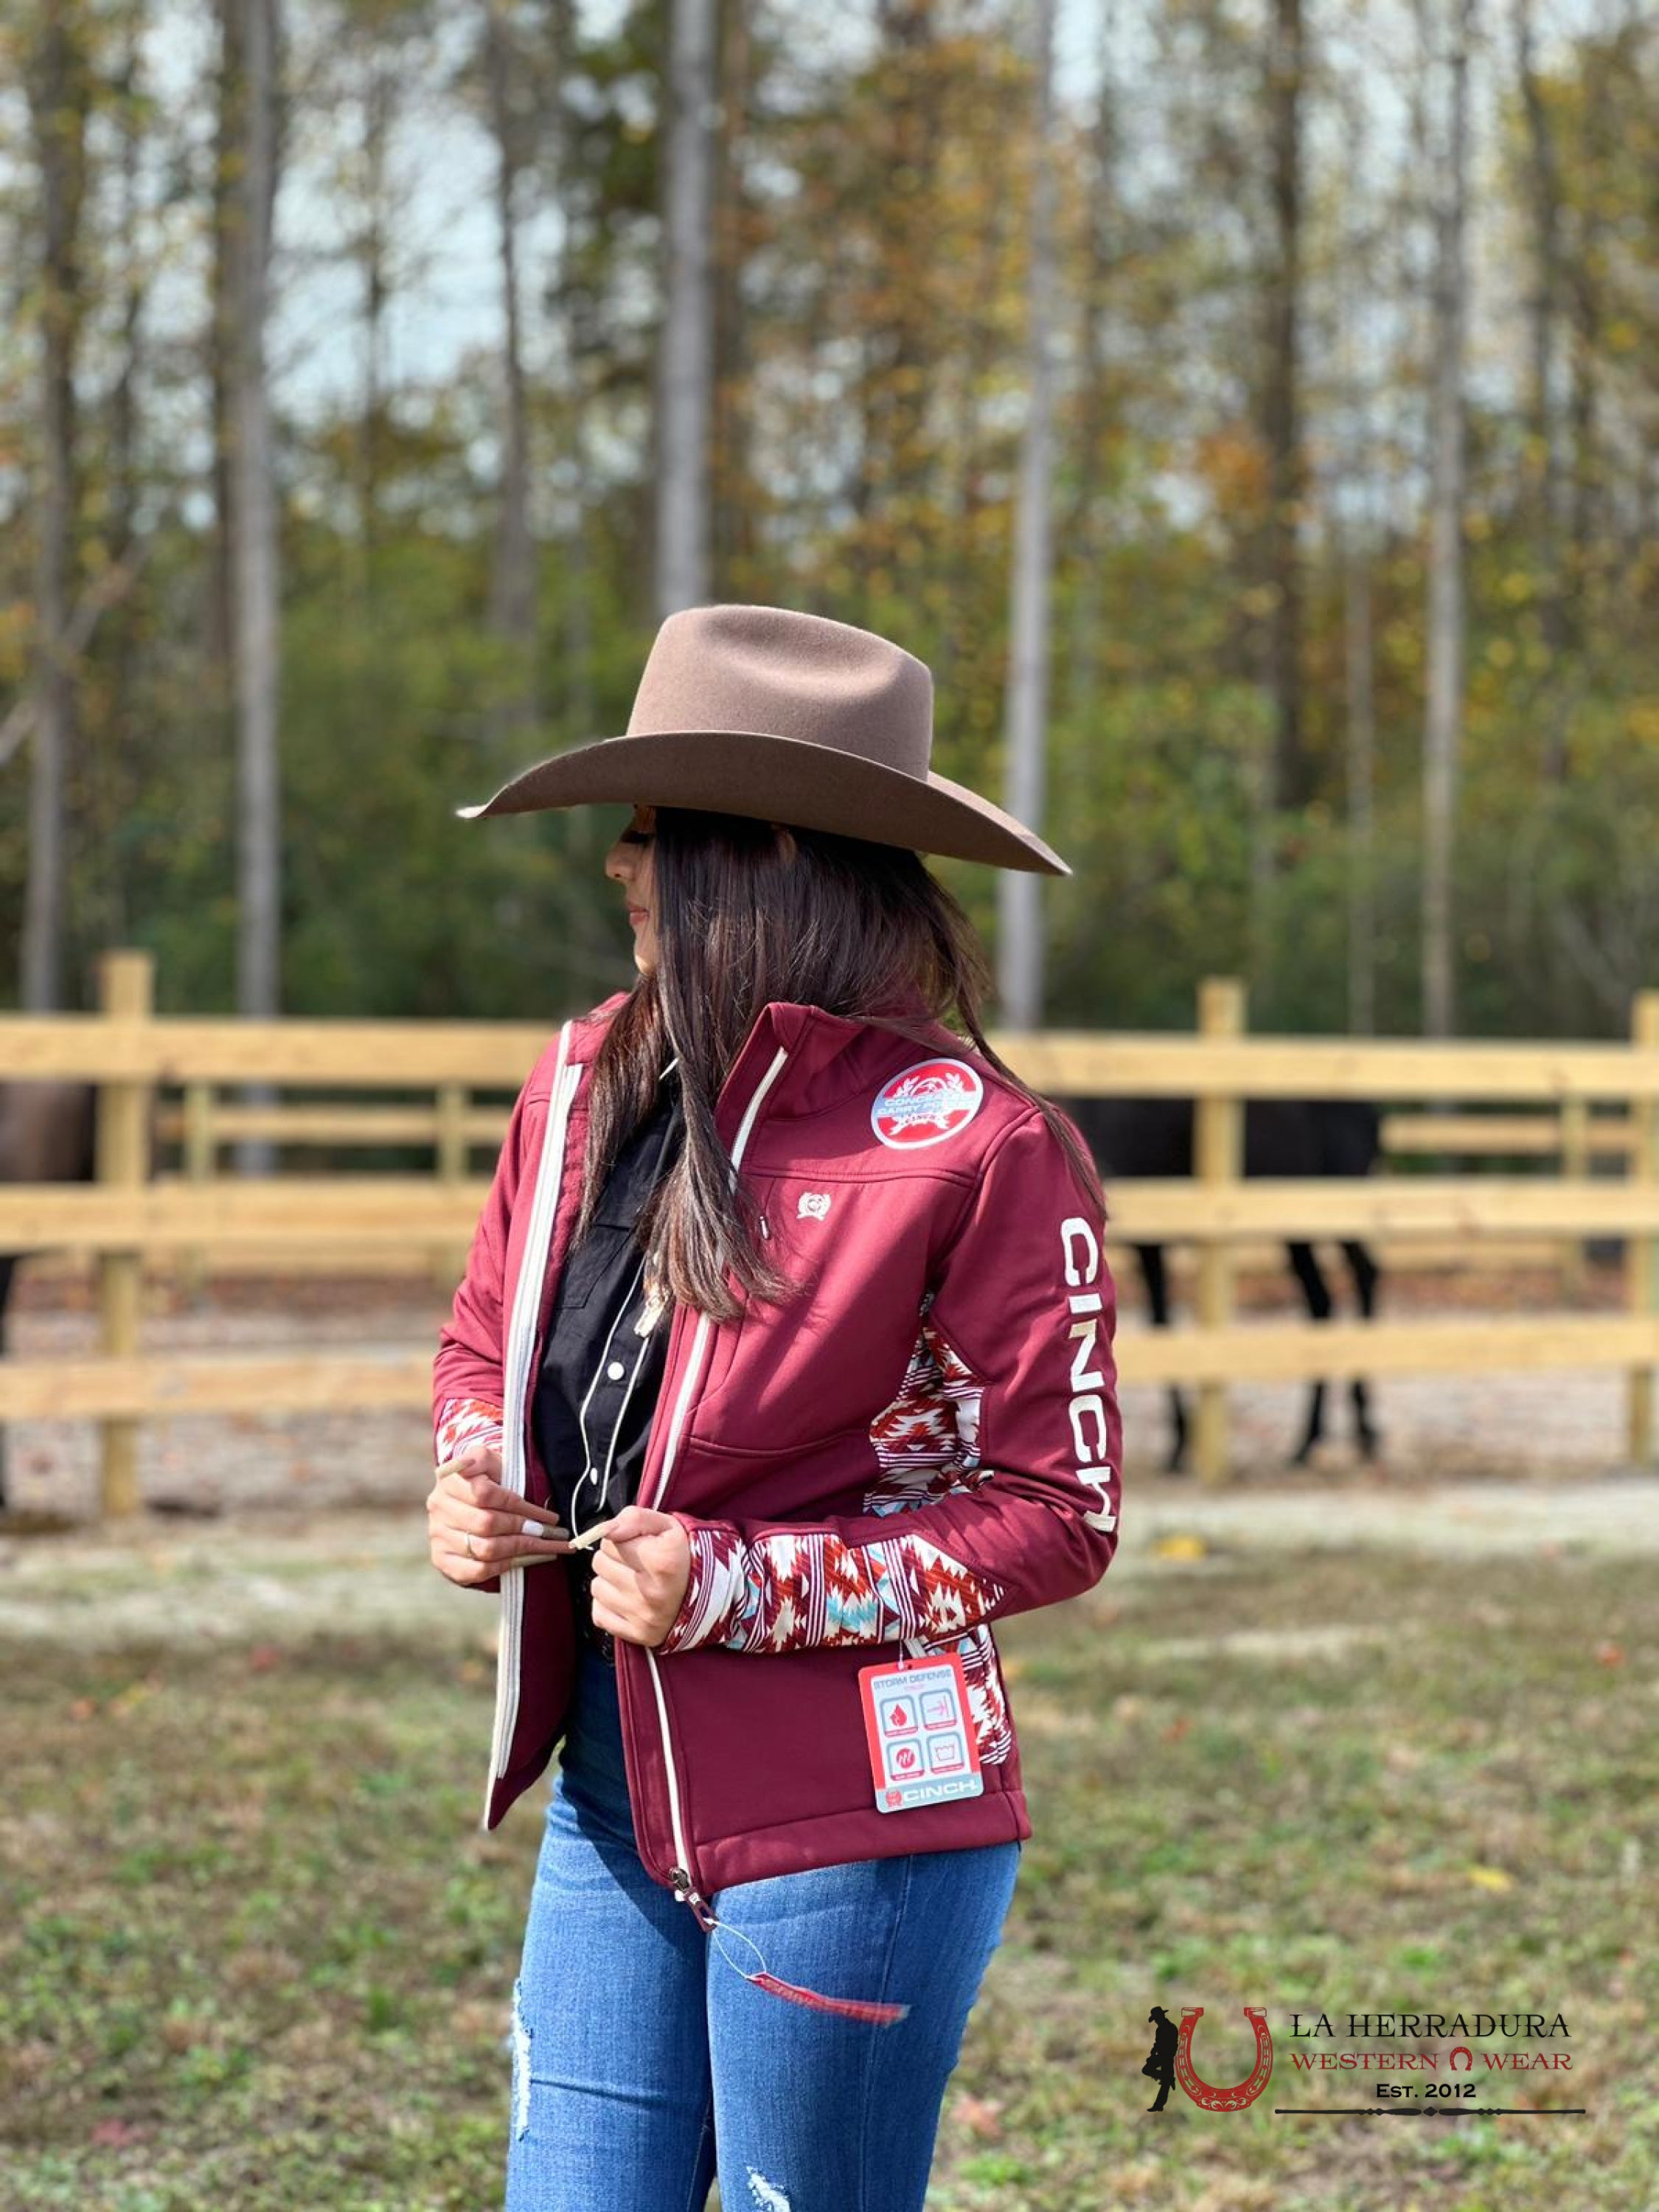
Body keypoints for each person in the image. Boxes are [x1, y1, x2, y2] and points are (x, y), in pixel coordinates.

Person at [425, 604, 1124, 2212]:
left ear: (775, 857)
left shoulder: (981, 1146)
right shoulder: (586, 1075)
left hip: (858, 1819)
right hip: (612, 1785)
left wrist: (736, 1582)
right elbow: (482, 1341)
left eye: (653, 834)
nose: (619, 869)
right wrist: (479, 1473)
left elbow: (1059, 1517)